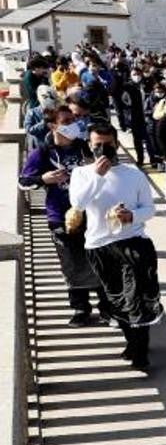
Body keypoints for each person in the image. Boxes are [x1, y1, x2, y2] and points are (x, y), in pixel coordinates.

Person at [69, 123, 162, 369]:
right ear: (90, 145)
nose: (102, 149)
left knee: (136, 298)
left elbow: (150, 209)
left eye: (107, 144)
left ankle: (141, 351)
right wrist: (98, 177)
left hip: (133, 243)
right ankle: (132, 341)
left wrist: (131, 215)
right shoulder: (82, 174)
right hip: (99, 245)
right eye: (97, 144)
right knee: (115, 299)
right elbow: (78, 203)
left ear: (116, 144)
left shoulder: (133, 173)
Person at [20, 107, 104, 326]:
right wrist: (43, 178)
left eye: (74, 119)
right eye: (66, 120)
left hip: (91, 213)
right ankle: (80, 309)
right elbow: (23, 182)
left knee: (98, 258)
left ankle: (107, 306)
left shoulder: (84, 147)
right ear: (53, 126)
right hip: (60, 216)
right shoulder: (42, 153)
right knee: (72, 262)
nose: (73, 123)